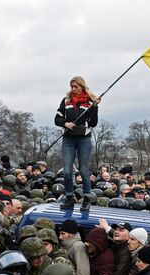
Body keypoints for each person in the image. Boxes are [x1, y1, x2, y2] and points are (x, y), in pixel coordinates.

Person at [54, 76, 100, 211]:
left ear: (82, 86)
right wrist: (65, 123)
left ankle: (86, 199)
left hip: (83, 139)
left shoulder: (89, 102)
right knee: (67, 171)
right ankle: (69, 197)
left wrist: (95, 107)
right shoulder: (66, 101)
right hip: (68, 138)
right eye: (71, 86)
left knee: (84, 170)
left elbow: (93, 123)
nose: (73, 89)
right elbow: (57, 119)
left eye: (75, 86)